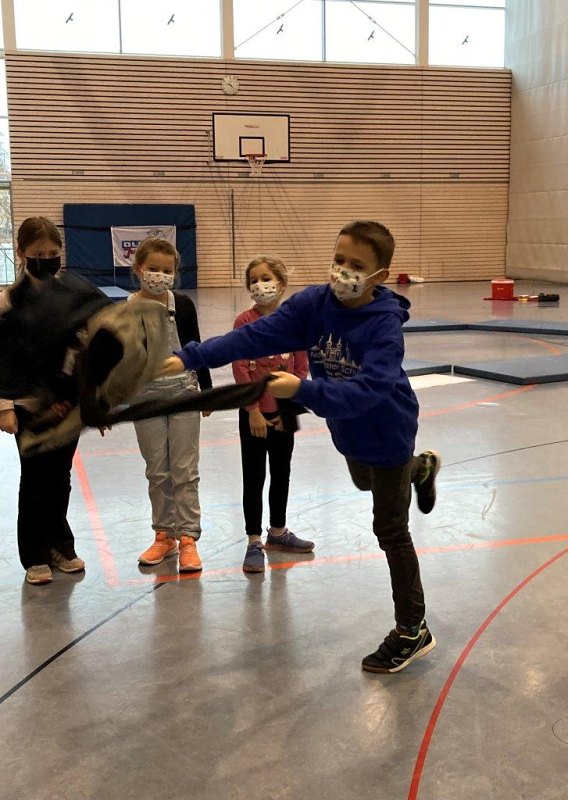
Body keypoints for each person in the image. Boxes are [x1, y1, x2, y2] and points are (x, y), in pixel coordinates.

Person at [163, 220, 441, 673]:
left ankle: (413, 630)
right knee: (363, 479)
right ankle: (421, 469)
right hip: (348, 432)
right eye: (339, 259)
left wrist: (301, 390)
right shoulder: (315, 304)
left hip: (387, 431)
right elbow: (253, 336)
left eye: (356, 265)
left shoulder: (384, 326)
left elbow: (368, 392)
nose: (343, 271)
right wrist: (189, 356)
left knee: (391, 530)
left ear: (380, 276)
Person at [0, 216, 86, 585]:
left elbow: (81, 354)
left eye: (53, 253)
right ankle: (34, 553)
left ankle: (59, 545)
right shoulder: (7, 304)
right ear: (21, 253)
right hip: (27, 408)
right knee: (35, 479)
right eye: (38, 253)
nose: (46, 260)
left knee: (60, 477)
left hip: (66, 406)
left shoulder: (70, 298)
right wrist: (5, 406)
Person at [129, 237, 212, 573]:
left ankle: (188, 538)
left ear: (175, 273)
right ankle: (164, 535)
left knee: (184, 470)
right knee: (157, 471)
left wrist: (206, 390)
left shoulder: (183, 306)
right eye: (153, 268)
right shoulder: (126, 310)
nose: (159, 275)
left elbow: (196, 347)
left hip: (184, 393)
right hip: (144, 399)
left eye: (167, 270)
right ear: (138, 269)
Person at [233, 256, 313, 574]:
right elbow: (241, 367)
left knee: (282, 472)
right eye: (253, 280)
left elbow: (301, 368)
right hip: (254, 413)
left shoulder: (295, 322)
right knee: (254, 476)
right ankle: (254, 540)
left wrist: (286, 407)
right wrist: (253, 410)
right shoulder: (244, 322)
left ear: (281, 283)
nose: (259, 285)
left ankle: (278, 532)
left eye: (265, 278)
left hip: (285, 411)